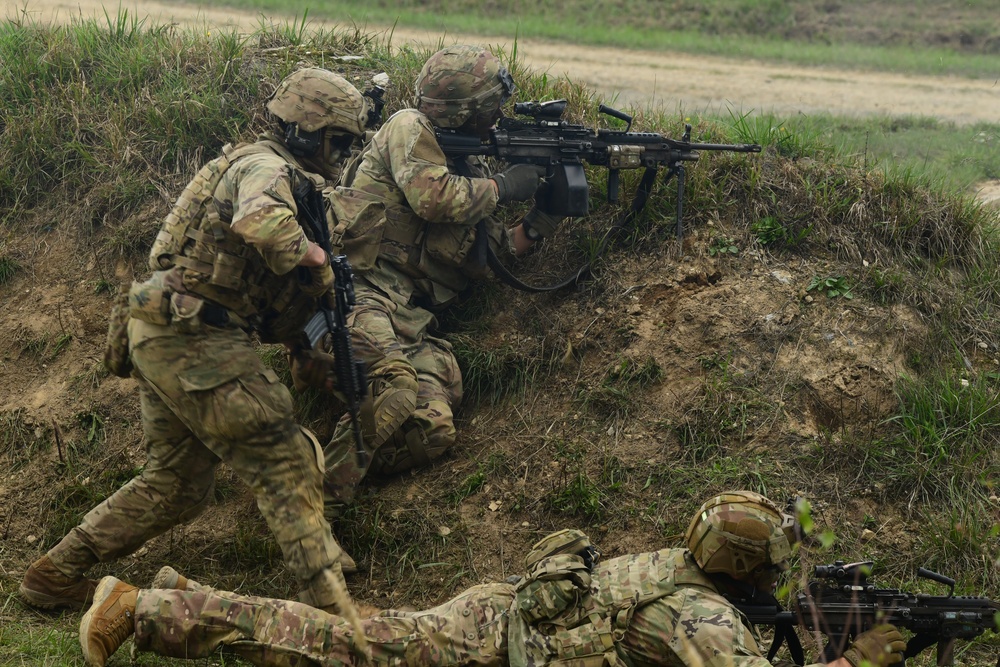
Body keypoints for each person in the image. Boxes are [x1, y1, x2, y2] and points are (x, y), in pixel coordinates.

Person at [20, 67, 378, 615]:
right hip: (194, 334)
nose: (345, 152)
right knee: (285, 454)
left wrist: (315, 358)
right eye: (342, 140)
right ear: (312, 132)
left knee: (179, 483)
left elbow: (270, 305)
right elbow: (261, 223)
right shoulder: (265, 166)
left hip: (161, 325)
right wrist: (317, 258)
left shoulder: (266, 168)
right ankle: (336, 613)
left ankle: (55, 573)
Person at [77, 490, 907, 667]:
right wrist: (860, 659)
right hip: (485, 639)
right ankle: (147, 609)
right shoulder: (698, 613)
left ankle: (184, 597)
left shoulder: (680, 566)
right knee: (330, 645)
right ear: (743, 565)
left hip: (501, 617)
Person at [310, 44, 564, 514]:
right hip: (353, 298)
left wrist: (541, 220)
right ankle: (315, 505)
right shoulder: (409, 127)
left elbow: (492, 257)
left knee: (432, 428)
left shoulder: (470, 166)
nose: (497, 117)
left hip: (406, 320)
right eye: (490, 108)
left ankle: (326, 445)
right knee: (397, 390)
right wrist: (506, 186)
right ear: (464, 111)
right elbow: (434, 199)